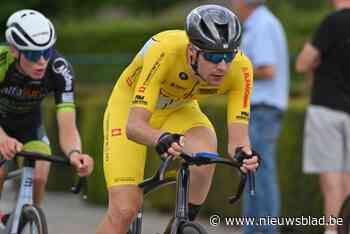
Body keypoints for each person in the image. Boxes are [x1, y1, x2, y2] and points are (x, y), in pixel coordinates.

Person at [96, 4, 260, 234]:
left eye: (228, 55)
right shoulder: (164, 51)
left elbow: (238, 139)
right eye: (213, 56)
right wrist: (159, 137)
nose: (222, 66)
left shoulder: (241, 69)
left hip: (178, 108)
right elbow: (134, 126)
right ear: (192, 51)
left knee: (206, 157)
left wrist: (245, 155)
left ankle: (180, 226)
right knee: (124, 210)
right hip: (131, 109)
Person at [0, 9, 94, 215]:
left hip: (29, 127)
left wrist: (75, 153)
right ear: (15, 50)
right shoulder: (1, 61)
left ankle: (25, 218)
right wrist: (3, 138)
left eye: (47, 52)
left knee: (39, 177)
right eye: (33, 54)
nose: (42, 61)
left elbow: (68, 126)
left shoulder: (60, 69)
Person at [231, 0, 289, 233]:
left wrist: (232, 69)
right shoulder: (260, 23)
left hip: (262, 109)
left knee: (261, 176)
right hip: (260, 110)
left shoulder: (262, 25)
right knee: (253, 174)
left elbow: (267, 69)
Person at [296, 1, 350, 233]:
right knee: (348, 179)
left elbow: (302, 63)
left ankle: (332, 230)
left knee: (331, 179)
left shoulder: (333, 21)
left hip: (327, 108)